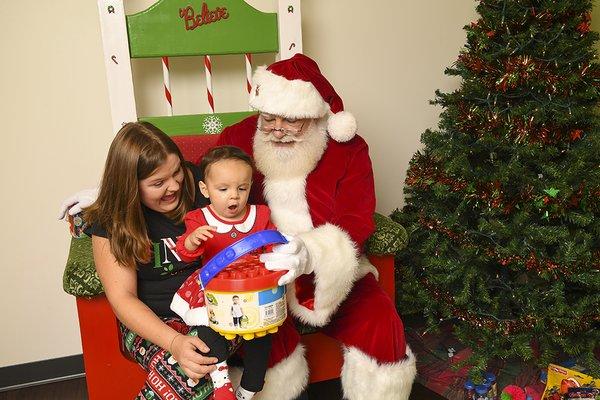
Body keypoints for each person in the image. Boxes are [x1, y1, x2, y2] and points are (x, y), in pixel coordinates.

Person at [215, 53, 417, 400]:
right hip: (261, 277)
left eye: (291, 120)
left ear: (317, 114)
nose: (277, 130)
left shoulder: (349, 148)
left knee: (381, 324)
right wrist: (122, 191)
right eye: (268, 118)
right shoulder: (237, 137)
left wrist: (311, 255)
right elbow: (196, 185)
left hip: (332, 274)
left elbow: (357, 219)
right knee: (259, 342)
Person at [59, 123, 303, 400]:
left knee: (196, 363)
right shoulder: (111, 221)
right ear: (130, 187)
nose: (174, 186)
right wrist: (173, 342)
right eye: (158, 183)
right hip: (153, 321)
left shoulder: (205, 183)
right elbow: (123, 298)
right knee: (181, 369)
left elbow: (251, 214)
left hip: (217, 307)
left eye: (177, 172)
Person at [170, 146, 276, 400]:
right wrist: (193, 241)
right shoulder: (199, 218)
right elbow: (183, 252)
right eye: (223, 189)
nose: (234, 197)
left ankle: (250, 387)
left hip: (251, 286)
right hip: (215, 287)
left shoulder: (259, 214)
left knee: (262, 336)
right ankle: (221, 383)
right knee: (209, 332)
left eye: (242, 188)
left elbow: (273, 245)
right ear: (205, 190)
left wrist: (283, 255)